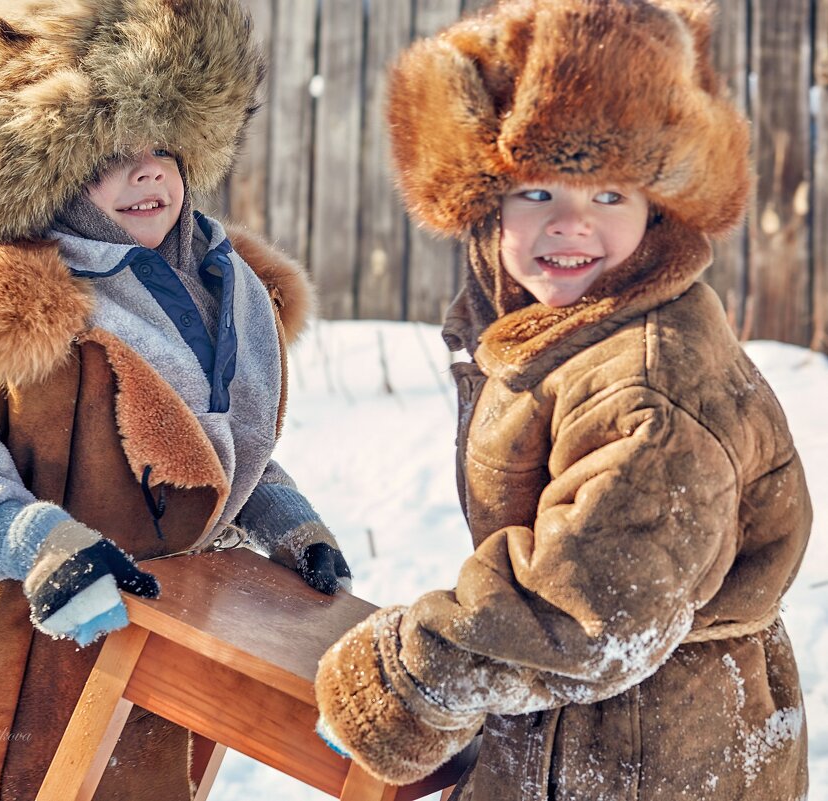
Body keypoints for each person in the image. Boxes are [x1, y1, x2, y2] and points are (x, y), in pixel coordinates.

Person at [314, 1, 812, 799]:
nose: (571, 224)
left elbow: (593, 608)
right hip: (595, 734)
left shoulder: (647, 383)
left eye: (608, 195)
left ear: (659, 207)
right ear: (486, 207)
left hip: (648, 757)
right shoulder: (562, 331)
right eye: (538, 193)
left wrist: (411, 682)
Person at [0, 1, 350, 799]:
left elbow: (189, 449)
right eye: (110, 152)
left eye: (164, 146)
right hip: (15, 673)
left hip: (152, 669)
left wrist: (280, 516)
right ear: (42, 169)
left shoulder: (220, 285)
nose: (148, 170)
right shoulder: (3, 306)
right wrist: (38, 543)